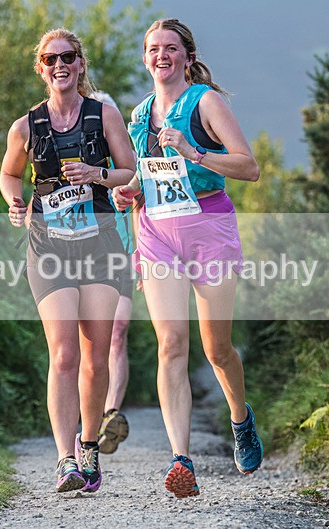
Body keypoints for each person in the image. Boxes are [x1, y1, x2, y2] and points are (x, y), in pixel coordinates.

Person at [113, 18, 263, 499]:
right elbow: (147, 179)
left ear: (187, 57)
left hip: (208, 230)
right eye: (153, 48)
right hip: (156, 234)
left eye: (171, 48)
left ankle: (240, 418)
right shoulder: (138, 118)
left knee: (216, 349)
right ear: (145, 58)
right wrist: (129, 192)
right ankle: (182, 459)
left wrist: (197, 152)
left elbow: (248, 167)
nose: (162, 55)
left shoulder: (205, 102)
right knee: (171, 344)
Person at [0, 28, 136, 493]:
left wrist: (98, 174)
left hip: (98, 243)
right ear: (40, 67)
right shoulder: (27, 126)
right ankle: (65, 461)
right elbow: (8, 173)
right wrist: (15, 202)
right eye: (50, 58)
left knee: (97, 357)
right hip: (49, 245)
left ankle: (89, 445)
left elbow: (130, 171)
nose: (60, 65)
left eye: (69, 57)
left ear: (80, 65)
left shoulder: (105, 115)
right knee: (64, 354)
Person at [90, 90, 133, 455]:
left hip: (122, 254)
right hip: (79, 255)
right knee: (85, 340)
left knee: (118, 332)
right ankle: (85, 422)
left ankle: (110, 415)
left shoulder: (126, 158)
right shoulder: (71, 153)